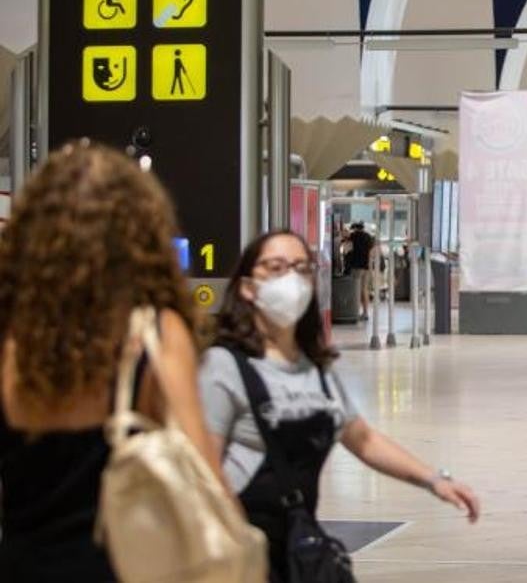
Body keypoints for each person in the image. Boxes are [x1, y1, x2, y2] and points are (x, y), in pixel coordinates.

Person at [0, 143, 231, 579]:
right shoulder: (152, 334)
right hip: (123, 566)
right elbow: (205, 478)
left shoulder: (12, 338)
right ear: (138, 232)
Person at [200, 231, 480, 580]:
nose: (289, 278)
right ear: (247, 287)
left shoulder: (314, 369)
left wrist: (434, 480)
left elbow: (362, 439)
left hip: (296, 549)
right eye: (275, 267)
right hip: (238, 554)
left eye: (300, 268)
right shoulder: (223, 366)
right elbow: (202, 471)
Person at [344, 222, 375, 320]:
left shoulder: (354, 235)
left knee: (356, 290)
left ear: (355, 229)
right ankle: (365, 312)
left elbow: (345, 239)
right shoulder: (368, 237)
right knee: (364, 290)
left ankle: (355, 311)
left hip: (356, 266)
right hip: (366, 266)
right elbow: (371, 253)